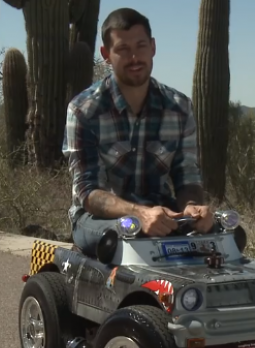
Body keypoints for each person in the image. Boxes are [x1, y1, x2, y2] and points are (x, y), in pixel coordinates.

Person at [62, 7, 214, 256]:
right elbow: (88, 192)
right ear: (106, 54)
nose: (134, 57)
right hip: (98, 221)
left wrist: (192, 208)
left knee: (221, 233)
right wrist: (139, 213)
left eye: (141, 46)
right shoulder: (84, 110)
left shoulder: (179, 107)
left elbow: (186, 175)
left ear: (153, 47)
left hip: (162, 214)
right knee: (128, 233)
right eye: (123, 49)